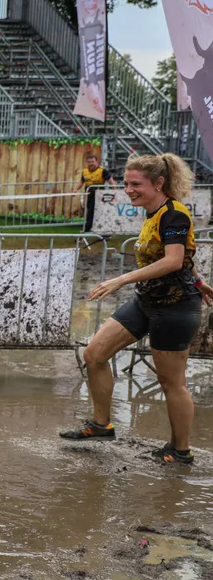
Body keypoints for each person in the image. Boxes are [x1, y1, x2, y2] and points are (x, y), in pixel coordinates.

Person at [61, 154, 213, 464]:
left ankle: (180, 450)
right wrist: (198, 281)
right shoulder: (152, 212)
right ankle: (101, 425)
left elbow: (172, 260)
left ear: (159, 183)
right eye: (127, 183)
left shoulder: (174, 214)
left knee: (172, 382)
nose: (128, 190)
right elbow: (183, 258)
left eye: (136, 184)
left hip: (174, 308)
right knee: (95, 354)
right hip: (147, 302)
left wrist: (120, 280)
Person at [77, 151, 117, 234]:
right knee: (90, 211)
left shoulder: (102, 171)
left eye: (92, 161)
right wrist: (76, 189)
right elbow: (81, 181)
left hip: (98, 195)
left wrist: (115, 192)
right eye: (89, 162)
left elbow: (112, 182)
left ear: (96, 161)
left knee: (93, 212)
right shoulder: (85, 171)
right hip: (89, 194)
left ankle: (87, 230)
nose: (91, 163)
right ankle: (95, 229)